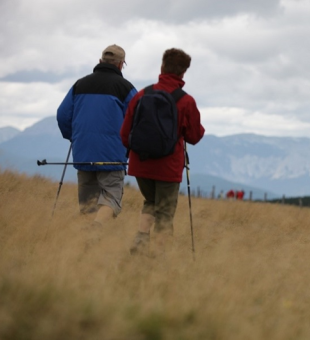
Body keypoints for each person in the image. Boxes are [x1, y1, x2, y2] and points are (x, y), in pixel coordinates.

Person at [121, 48, 205, 254]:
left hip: (140, 164)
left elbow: (125, 134)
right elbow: (194, 136)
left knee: (150, 201)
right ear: (183, 72)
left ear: (162, 66)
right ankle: (159, 257)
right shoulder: (186, 101)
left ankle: (141, 241)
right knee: (165, 212)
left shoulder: (142, 95)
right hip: (169, 167)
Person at [57, 44, 137, 227]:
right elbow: (138, 118)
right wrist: (131, 145)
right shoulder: (125, 88)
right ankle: (95, 231)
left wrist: (74, 136)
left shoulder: (80, 84)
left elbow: (62, 114)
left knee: (88, 204)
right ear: (120, 65)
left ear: (100, 61)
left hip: (83, 152)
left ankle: (86, 246)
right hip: (112, 155)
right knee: (112, 198)